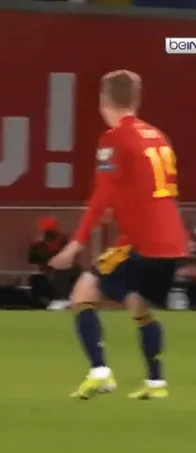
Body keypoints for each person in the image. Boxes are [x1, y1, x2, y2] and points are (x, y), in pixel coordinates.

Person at [49, 70, 189, 400]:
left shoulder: (114, 139)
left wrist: (76, 243)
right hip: (173, 243)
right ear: (136, 99)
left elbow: (101, 196)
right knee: (137, 304)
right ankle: (155, 382)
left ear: (103, 99)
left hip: (142, 242)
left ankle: (100, 372)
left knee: (82, 293)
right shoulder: (158, 136)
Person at [27, 216, 80, 310]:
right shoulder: (38, 244)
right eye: (46, 231)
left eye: (50, 231)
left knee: (65, 273)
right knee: (37, 279)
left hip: (65, 271)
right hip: (47, 272)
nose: (48, 234)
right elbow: (32, 260)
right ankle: (41, 303)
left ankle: (63, 300)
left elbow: (71, 258)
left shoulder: (65, 240)